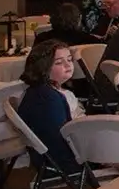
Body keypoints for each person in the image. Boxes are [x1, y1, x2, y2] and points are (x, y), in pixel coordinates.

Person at [16, 40, 84, 175]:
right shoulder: (48, 98)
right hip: (66, 164)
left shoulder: (40, 92)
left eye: (69, 60)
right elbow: (60, 142)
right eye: (59, 62)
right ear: (43, 68)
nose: (68, 65)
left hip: (50, 161)